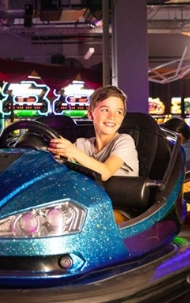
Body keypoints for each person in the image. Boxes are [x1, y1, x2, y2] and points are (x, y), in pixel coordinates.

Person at [48, 85, 139, 223]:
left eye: (118, 112)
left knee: (85, 219)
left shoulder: (124, 141)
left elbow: (105, 172)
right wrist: (56, 152)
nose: (112, 117)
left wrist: (72, 152)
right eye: (105, 110)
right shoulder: (82, 144)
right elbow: (58, 164)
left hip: (119, 211)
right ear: (90, 114)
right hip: (84, 207)